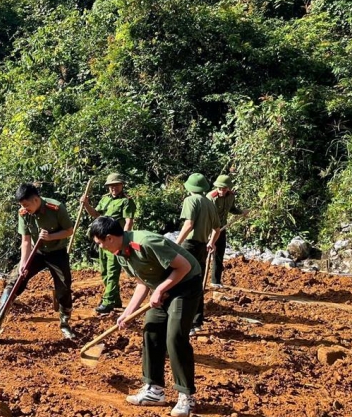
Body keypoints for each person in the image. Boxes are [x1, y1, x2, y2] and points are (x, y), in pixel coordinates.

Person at [90, 216, 202, 417]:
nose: (99, 247)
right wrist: (127, 313)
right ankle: (154, 389)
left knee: (175, 337)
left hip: (185, 284)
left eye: (99, 243)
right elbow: (142, 283)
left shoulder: (146, 242)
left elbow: (184, 267)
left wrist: (159, 290)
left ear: (109, 238)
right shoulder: (121, 253)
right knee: (151, 328)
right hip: (164, 287)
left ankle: (186, 397)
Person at [0, 183, 76, 339]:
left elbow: (69, 231)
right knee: (15, 279)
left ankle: (65, 324)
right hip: (36, 252)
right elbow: (25, 240)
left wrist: (51, 237)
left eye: (27, 205)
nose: (25, 208)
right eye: (22, 205)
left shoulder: (56, 208)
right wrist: (23, 263)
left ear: (36, 199)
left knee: (64, 287)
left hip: (57, 252)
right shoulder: (23, 213)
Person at [80, 172, 136, 314]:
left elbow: (128, 222)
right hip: (102, 241)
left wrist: (124, 240)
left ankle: (108, 301)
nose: (113, 188)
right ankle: (115, 299)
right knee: (104, 271)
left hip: (115, 241)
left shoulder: (126, 201)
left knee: (112, 271)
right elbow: (96, 215)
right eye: (111, 186)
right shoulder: (105, 199)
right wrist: (86, 204)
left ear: (122, 185)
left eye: (116, 185)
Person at [174, 173, 220, 335]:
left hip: (189, 246)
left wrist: (176, 244)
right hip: (202, 246)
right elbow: (217, 229)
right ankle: (197, 321)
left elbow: (188, 224)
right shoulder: (209, 203)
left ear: (189, 187)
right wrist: (211, 242)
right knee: (196, 283)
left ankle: (185, 323)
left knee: (182, 283)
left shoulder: (190, 200)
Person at [207, 175, 246, 288]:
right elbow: (207, 216)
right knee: (205, 254)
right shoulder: (211, 198)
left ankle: (215, 281)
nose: (222, 191)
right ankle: (197, 281)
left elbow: (232, 209)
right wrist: (211, 236)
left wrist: (241, 212)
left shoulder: (231, 196)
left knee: (219, 255)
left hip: (222, 229)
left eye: (224, 189)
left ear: (229, 188)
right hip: (209, 229)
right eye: (220, 189)